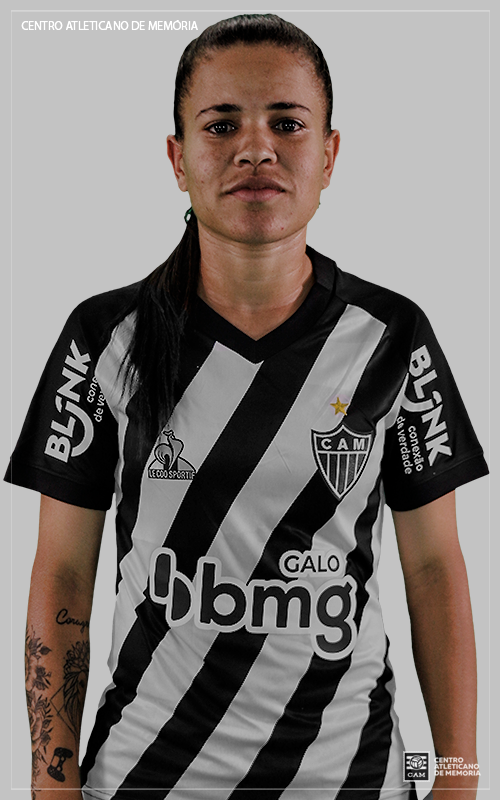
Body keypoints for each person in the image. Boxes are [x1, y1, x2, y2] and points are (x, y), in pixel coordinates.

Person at [6, 13, 488, 800]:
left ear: (329, 155)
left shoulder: (393, 337)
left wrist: (459, 778)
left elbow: (434, 569)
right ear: (178, 158)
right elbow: (62, 572)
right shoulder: (104, 338)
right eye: (221, 124)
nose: (255, 149)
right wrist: (50, 783)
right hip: (146, 783)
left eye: (287, 124)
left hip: (350, 783)